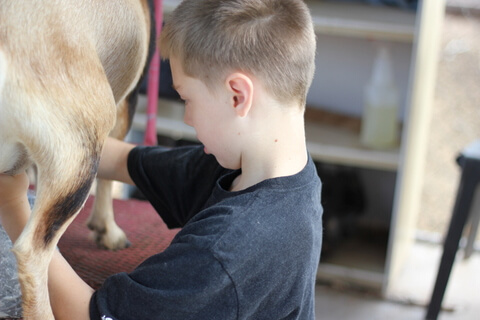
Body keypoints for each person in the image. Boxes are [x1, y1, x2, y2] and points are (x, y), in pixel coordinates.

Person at [0, 0, 323, 319]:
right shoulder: (269, 175)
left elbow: (89, 315)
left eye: (187, 99)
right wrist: (51, 136)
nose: (187, 118)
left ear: (238, 95)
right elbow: (126, 161)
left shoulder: (225, 253)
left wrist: (13, 205)